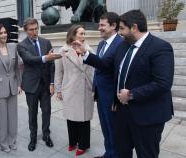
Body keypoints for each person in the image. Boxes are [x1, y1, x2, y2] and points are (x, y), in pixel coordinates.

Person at [73, 9, 174, 158]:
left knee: (146, 154)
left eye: (122, 28)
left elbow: (162, 83)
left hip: (147, 116)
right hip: (122, 113)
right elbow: (107, 66)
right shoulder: (124, 45)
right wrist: (86, 53)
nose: (119, 33)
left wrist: (132, 94)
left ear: (134, 27)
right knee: (121, 152)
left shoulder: (160, 47)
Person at [17, 18, 61, 151]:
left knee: (46, 111)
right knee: (32, 113)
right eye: (31, 30)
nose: (35, 32)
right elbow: (29, 59)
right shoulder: (22, 45)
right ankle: (33, 138)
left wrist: (52, 83)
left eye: (36, 28)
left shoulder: (46, 42)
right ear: (25, 30)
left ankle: (46, 135)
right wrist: (46, 58)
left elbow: (52, 64)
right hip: (31, 85)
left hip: (46, 84)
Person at [54, 25, 94, 156]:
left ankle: (83, 144)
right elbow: (59, 72)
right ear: (73, 35)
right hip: (69, 88)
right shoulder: (63, 50)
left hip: (85, 89)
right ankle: (72, 142)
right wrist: (58, 89)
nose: (83, 36)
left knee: (83, 119)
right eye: (81, 34)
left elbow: (94, 72)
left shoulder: (89, 50)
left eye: (84, 34)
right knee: (71, 117)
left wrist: (94, 88)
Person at [0, 23, 22, 153]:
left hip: (12, 86)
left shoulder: (13, 47)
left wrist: (19, 84)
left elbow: (17, 68)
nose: (4, 35)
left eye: (5, 32)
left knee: (13, 117)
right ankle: (3, 143)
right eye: (0, 33)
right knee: (1, 118)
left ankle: (12, 141)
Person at [93, 12, 123, 158]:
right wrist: (95, 89)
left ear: (113, 26)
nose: (99, 28)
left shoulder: (121, 44)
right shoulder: (101, 44)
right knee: (105, 128)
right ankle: (108, 154)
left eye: (102, 25)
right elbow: (98, 69)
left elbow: (121, 74)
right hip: (101, 94)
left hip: (112, 97)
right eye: (99, 25)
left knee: (114, 130)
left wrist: (117, 98)